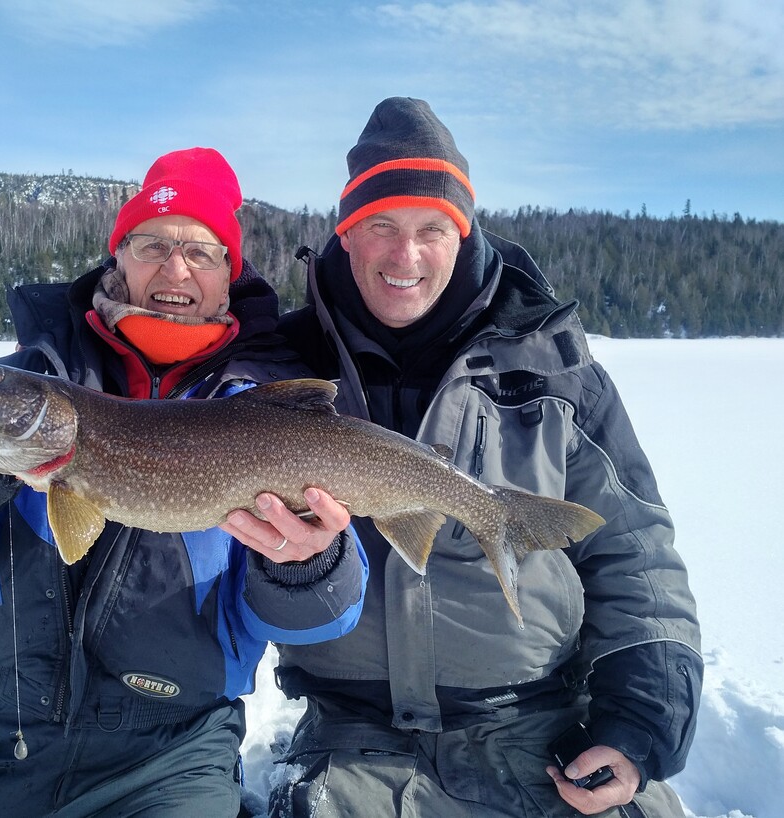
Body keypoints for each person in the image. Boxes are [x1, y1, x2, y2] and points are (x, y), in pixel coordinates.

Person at [222, 98, 702, 817]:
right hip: (352, 739)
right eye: (379, 226)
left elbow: (635, 553)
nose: (404, 256)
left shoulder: (553, 369)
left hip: (539, 731)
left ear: (464, 231)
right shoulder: (281, 374)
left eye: (430, 229)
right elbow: (229, 575)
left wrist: (637, 725)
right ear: (345, 237)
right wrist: (298, 566)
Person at [0, 147, 367, 818]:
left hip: (176, 753)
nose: (174, 268)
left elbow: (325, 617)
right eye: (152, 244)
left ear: (228, 275)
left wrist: (310, 564)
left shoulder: (269, 408)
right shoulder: (27, 382)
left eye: (202, 253)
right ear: (118, 256)